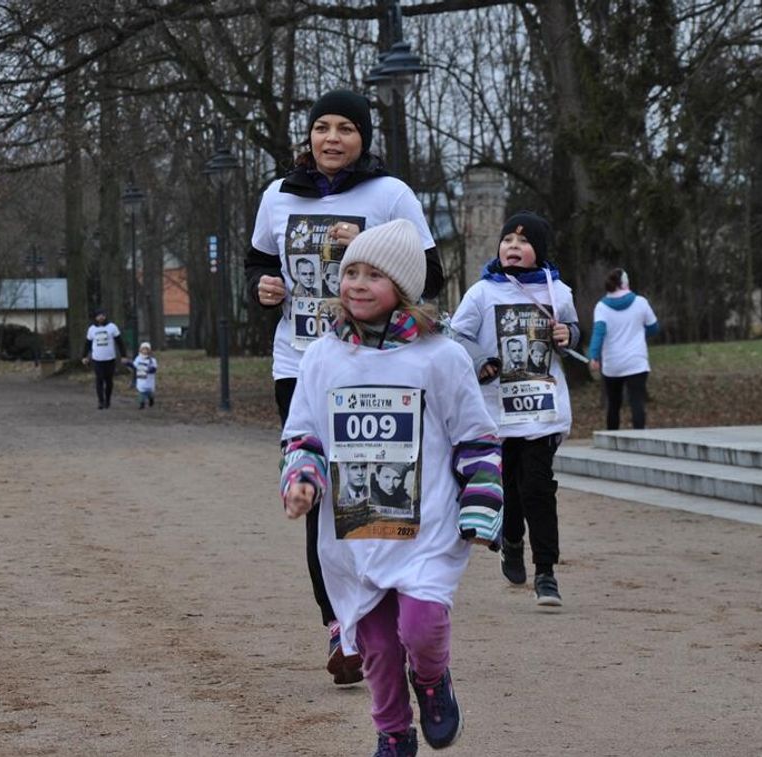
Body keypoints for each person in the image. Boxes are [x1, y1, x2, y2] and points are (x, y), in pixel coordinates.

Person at [244, 88, 444, 686]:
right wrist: (262, 288)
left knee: (380, 495)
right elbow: (256, 265)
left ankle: (392, 618)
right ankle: (341, 627)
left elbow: (430, 273)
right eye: (322, 128)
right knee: (320, 499)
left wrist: (370, 266)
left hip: (377, 366)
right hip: (301, 365)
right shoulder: (277, 196)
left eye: (346, 129)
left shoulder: (389, 195)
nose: (332, 138)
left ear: (364, 138)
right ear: (308, 137)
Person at [280, 219, 502, 756]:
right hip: (355, 532)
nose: (355, 283)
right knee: (377, 646)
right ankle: (393, 733)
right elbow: (303, 433)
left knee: (422, 628)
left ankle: (431, 681)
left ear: (402, 288)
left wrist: (480, 505)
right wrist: (302, 477)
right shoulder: (322, 357)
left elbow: (477, 439)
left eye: (372, 274)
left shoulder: (439, 357)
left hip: (425, 526)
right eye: (350, 271)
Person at [449, 211, 579, 607]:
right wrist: (479, 361)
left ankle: (546, 572)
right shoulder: (482, 293)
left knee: (537, 487)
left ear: (537, 251)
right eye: (508, 240)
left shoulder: (559, 292)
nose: (513, 247)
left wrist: (567, 333)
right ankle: (510, 538)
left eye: (523, 242)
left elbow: (572, 331)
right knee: (509, 487)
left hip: (542, 408)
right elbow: (457, 334)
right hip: (497, 411)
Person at [588, 268, 659, 431]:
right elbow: (654, 327)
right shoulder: (641, 302)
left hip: (613, 364)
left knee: (613, 404)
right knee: (637, 402)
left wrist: (594, 356)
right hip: (636, 361)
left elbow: (599, 333)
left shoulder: (601, 307)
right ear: (626, 283)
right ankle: (639, 437)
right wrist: (639, 334)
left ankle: (612, 438)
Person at [82, 308, 130, 409]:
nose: (101, 317)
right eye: (99, 315)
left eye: (103, 315)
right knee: (99, 379)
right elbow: (88, 344)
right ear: (95, 317)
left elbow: (119, 342)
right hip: (97, 359)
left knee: (109, 380)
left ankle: (108, 399)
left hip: (110, 358)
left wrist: (123, 355)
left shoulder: (112, 327)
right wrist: (84, 356)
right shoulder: (92, 329)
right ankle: (101, 401)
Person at [132, 341, 159, 410]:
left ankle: (151, 399)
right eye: (143, 349)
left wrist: (150, 370)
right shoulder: (138, 358)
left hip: (149, 379)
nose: (145, 351)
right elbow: (134, 365)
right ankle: (142, 403)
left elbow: (154, 368)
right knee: (141, 392)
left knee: (149, 392)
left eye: (146, 349)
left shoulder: (152, 360)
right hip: (141, 378)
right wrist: (128, 363)